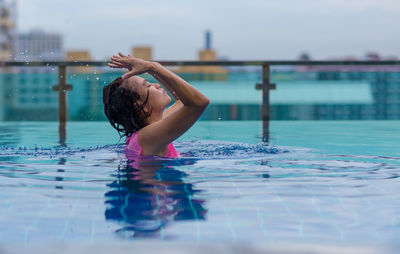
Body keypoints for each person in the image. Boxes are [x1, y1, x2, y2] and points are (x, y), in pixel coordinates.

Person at [103, 53, 209, 158]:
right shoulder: (146, 138)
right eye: (148, 85)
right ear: (138, 105)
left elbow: (183, 100)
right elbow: (199, 103)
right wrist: (153, 66)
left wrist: (149, 70)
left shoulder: (148, 130)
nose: (157, 85)